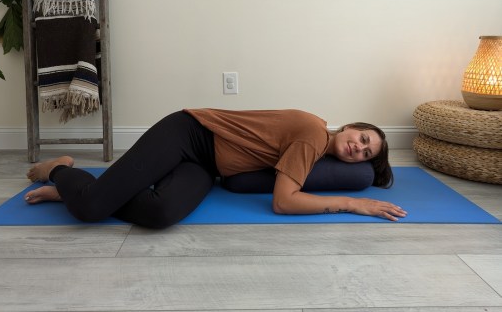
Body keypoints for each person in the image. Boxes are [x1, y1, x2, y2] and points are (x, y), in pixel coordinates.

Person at [25, 109, 407, 228]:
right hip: (188, 133)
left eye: (363, 155)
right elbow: (283, 203)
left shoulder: (319, 148)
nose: (358, 149)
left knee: (160, 214)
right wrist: (352, 204)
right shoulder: (313, 134)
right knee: (90, 209)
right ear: (350, 127)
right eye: (362, 139)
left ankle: (86, 189)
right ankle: (59, 170)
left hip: (208, 164)